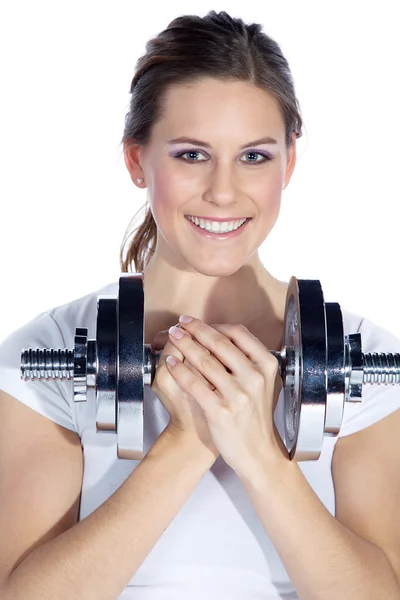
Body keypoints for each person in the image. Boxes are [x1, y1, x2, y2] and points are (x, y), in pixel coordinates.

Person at [0, 9, 400, 600]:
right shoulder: (45, 357)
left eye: (254, 156)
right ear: (138, 160)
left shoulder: (365, 357)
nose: (222, 191)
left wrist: (259, 453)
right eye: (191, 154)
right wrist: (189, 442)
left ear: (289, 162)